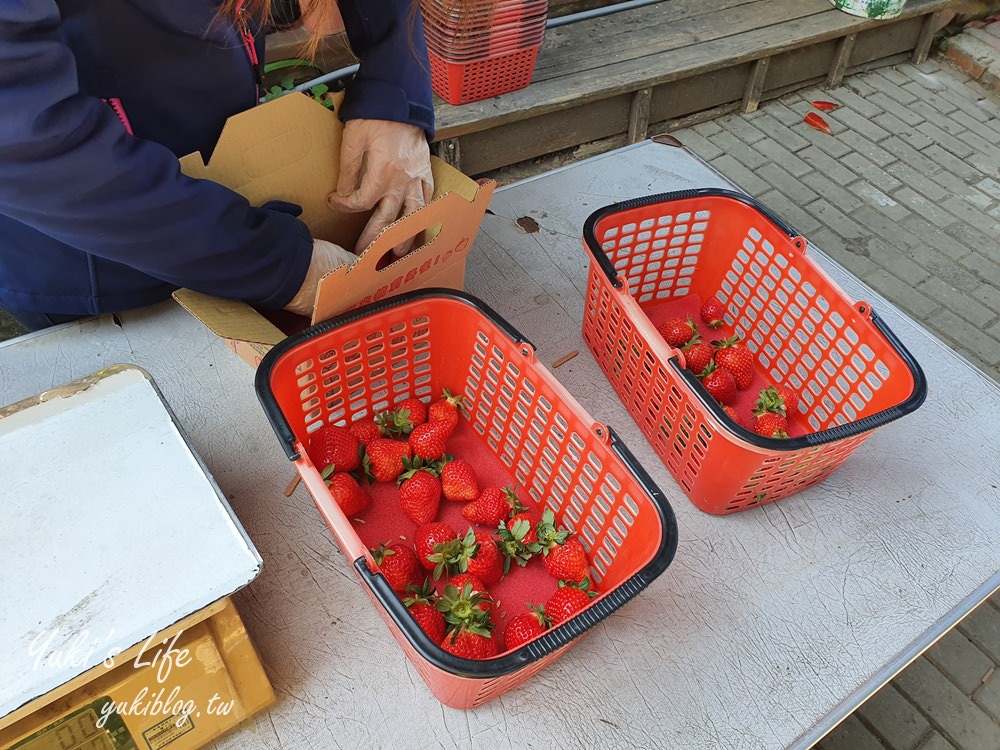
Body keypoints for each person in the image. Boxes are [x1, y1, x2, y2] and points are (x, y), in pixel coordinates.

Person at [0, 0, 435, 330]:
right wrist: (277, 267)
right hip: (89, 266)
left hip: (223, 195)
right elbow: (23, 140)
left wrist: (396, 87)